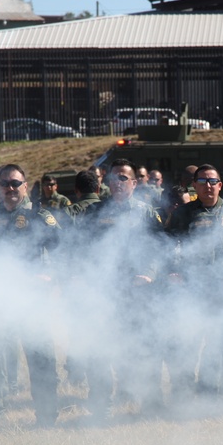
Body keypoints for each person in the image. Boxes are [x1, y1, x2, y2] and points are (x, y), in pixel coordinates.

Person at [0, 163, 61, 426]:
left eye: (15, 183)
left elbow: (67, 253)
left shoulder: (41, 218)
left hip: (32, 301)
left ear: (25, 185)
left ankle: (46, 417)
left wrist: (51, 276)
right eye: (4, 184)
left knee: (41, 358)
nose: (10, 188)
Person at [76, 158, 164, 415]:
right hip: (104, 293)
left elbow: (160, 249)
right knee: (100, 350)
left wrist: (149, 274)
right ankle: (100, 405)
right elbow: (80, 249)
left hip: (138, 294)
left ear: (135, 183)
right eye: (113, 178)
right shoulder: (94, 212)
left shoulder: (146, 212)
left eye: (124, 178)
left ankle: (150, 404)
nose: (117, 182)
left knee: (144, 350)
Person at [165, 164, 223, 401]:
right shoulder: (183, 214)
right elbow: (165, 247)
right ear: (194, 186)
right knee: (190, 342)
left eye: (212, 181)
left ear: (220, 185)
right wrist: (172, 271)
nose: (208, 185)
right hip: (193, 290)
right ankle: (184, 396)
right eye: (203, 181)